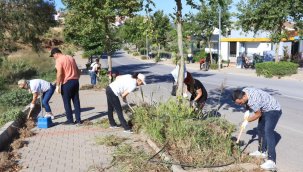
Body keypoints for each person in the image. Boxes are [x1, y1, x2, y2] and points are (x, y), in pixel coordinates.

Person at [232, 88, 282, 170]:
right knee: (260, 129)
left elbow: (258, 114)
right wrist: (247, 111)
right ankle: (262, 151)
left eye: (240, 103)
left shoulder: (253, 101)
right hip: (265, 109)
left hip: (274, 110)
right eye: (238, 104)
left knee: (268, 131)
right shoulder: (244, 91)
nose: (240, 104)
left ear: (244, 96)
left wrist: (246, 120)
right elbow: (247, 105)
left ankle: (272, 161)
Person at [50, 48, 82, 125]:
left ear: (56, 53)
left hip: (67, 83)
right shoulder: (71, 57)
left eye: (53, 56)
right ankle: (78, 120)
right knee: (76, 101)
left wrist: (57, 85)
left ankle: (70, 121)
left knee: (67, 102)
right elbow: (77, 70)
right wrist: (77, 78)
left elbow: (59, 73)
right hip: (75, 81)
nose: (53, 57)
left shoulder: (59, 60)